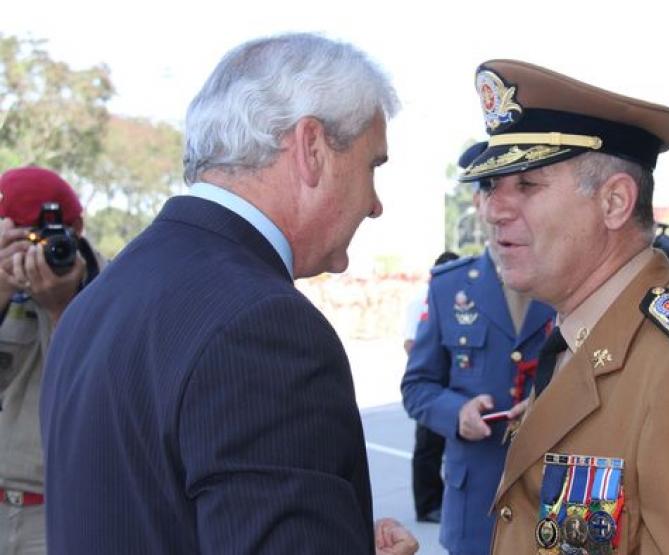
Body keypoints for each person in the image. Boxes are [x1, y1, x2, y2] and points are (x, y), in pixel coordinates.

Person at [39, 33, 417, 555]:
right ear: (311, 149)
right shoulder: (263, 325)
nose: (375, 204)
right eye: (373, 165)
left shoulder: (100, 297)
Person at [459, 59, 669, 554]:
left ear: (614, 203)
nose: (492, 210)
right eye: (490, 186)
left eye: (526, 185)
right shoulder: (579, 334)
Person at [401, 143, 556, 555]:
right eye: (490, 188)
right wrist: (457, 413)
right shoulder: (450, 286)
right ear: (478, 202)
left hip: (552, 503)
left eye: (523, 186)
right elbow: (417, 387)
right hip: (475, 509)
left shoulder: (568, 283)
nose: (504, 205)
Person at [0, 167, 101, 555]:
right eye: (23, 239)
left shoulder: (110, 284)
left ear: (77, 229)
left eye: (49, 239)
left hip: (60, 507)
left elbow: (89, 395)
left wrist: (63, 309)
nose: (39, 252)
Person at [402, 250, 458, 524]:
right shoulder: (421, 301)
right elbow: (411, 343)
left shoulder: (459, 302)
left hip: (453, 385)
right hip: (432, 383)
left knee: (447, 448)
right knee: (428, 448)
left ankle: (441, 499)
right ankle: (426, 505)